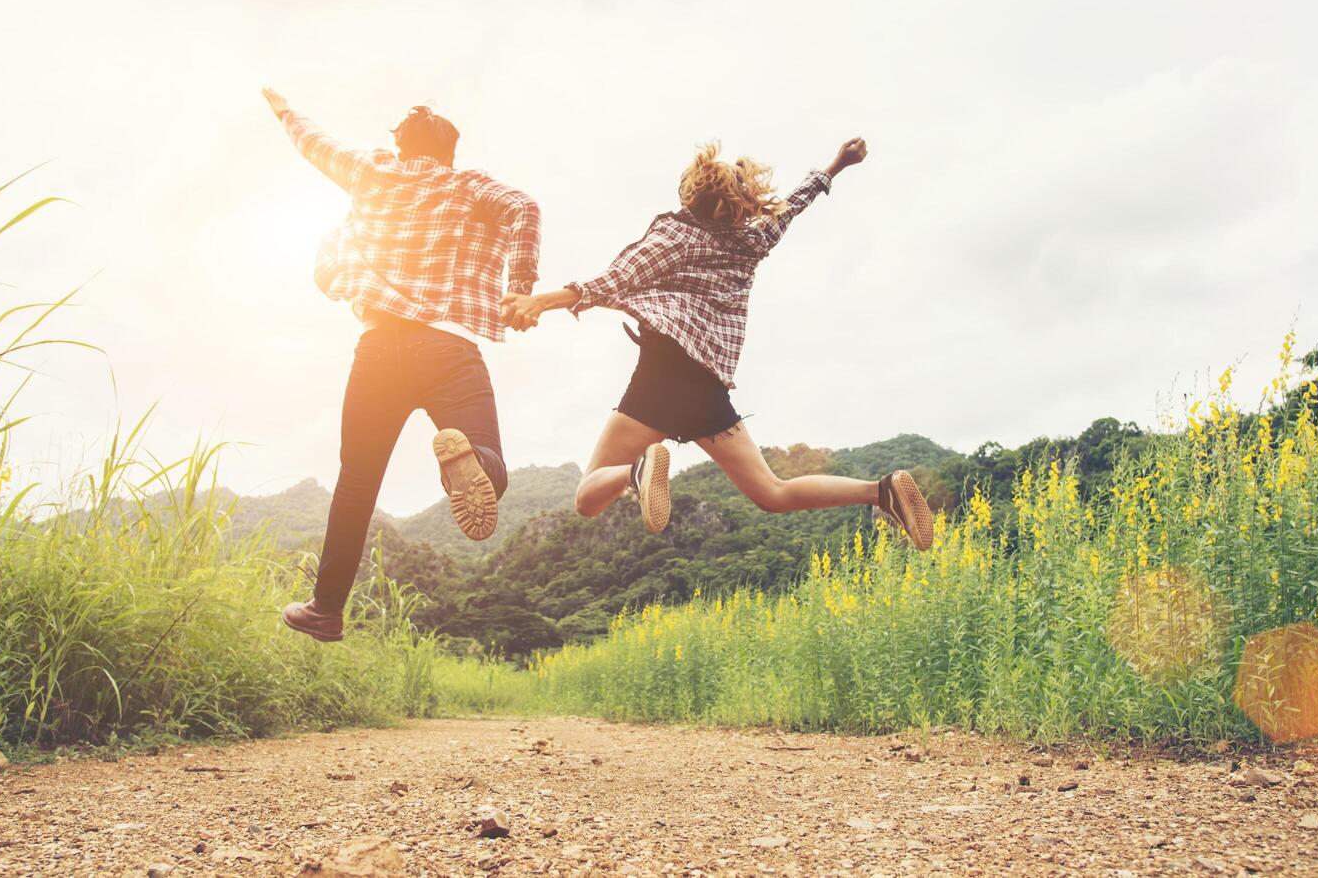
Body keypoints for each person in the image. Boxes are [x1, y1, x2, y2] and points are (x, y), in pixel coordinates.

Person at [499, 138, 933, 550]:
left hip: (663, 374)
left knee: (586, 499)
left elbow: (616, 280)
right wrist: (836, 166)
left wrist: (540, 301)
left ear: (691, 195)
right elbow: (792, 207)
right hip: (708, 388)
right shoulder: (752, 241)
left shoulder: (677, 234)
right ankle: (881, 491)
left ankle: (636, 471)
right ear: (738, 204)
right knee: (772, 493)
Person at [263, 88, 541, 642]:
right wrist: (521, 285)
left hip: (378, 349)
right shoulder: (468, 185)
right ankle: (474, 462)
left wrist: (283, 110)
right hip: (450, 348)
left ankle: (325, 608)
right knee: (492, 464)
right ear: (450, 152)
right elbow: (524, 208)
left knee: (356, 483)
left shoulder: (374, 172)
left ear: (401, 143)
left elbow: (314, 144)